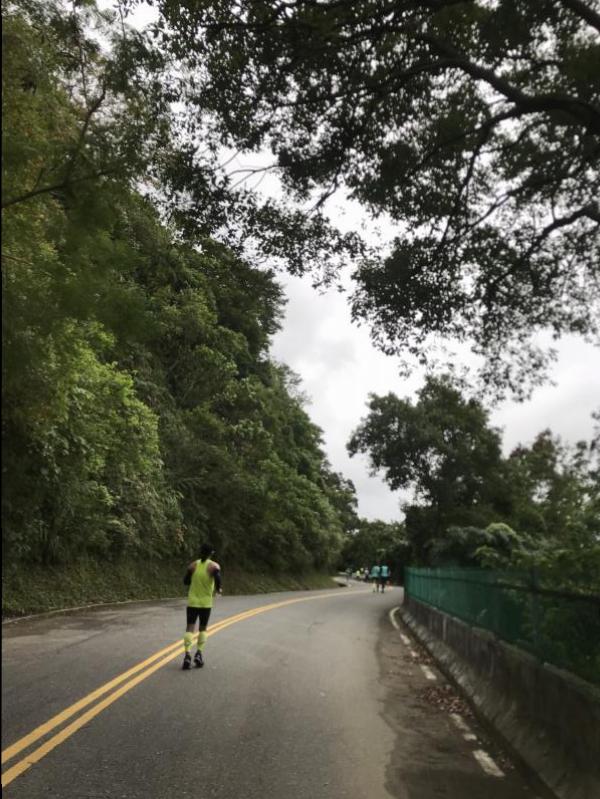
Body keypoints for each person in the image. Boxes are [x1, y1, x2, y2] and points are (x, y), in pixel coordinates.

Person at [182, 543, 222, 670]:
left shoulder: (193, 565)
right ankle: (199, 654)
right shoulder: (213, 566)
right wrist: (218, 589)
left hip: (192, 602)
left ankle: (187, 655)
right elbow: (218, 577)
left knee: (190, 628)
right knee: (203, 629)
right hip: (206, 603)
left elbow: (185, 581)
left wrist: (194, 579)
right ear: (211, 553)